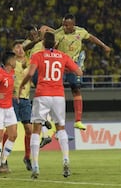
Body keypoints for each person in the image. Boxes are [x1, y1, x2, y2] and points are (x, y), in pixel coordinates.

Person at [19, 32, 83, 179]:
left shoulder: (38, 55)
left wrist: (22, 85)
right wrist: (69, 67)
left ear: (43, 44)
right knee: (61, 128)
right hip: (58, 96)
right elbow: (78, 71)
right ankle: (66, 160)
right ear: (55, 44)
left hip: (42, 95)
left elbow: (30, 73)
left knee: (36, 129)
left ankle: (35, 166)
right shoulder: (63, 56)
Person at [40, 13, 111, 130]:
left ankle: (78, 121)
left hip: (73, 65)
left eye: (67, 25)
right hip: (61, 66)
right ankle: (49, 118)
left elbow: (91, 38)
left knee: (76, 89)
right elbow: (50, 45)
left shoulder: (80, 31)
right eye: (63, 25)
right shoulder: (58, 33)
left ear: (73, 25)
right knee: (54, 91)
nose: (64, 27)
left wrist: (104, 46)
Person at [12, 40, 32, 171]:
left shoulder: (30, 61)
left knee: (29, 130)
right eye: (17, 47)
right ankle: (4, 158)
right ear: (13, 50)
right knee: (11, 132)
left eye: (22, 47)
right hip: (12, 99)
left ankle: (27, 157)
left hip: (25, 99)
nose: (20, 49)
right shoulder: (10, 63)